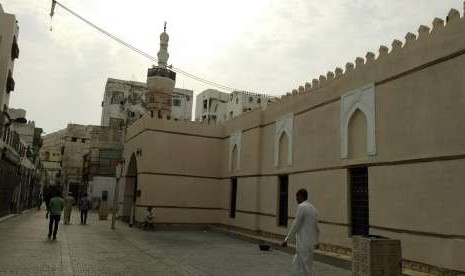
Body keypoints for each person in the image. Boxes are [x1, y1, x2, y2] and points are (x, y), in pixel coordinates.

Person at [281, 189, 320, 276]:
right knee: (300, 265)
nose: (296, 199)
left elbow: (296, 225)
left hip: (303, 244)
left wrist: (286, 240)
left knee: (304, 269)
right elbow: (317, 228)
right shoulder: (314, 209)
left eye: (297, 197)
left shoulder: (302, 207)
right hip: (310, 245)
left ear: (301, 196)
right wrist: (316, 241)